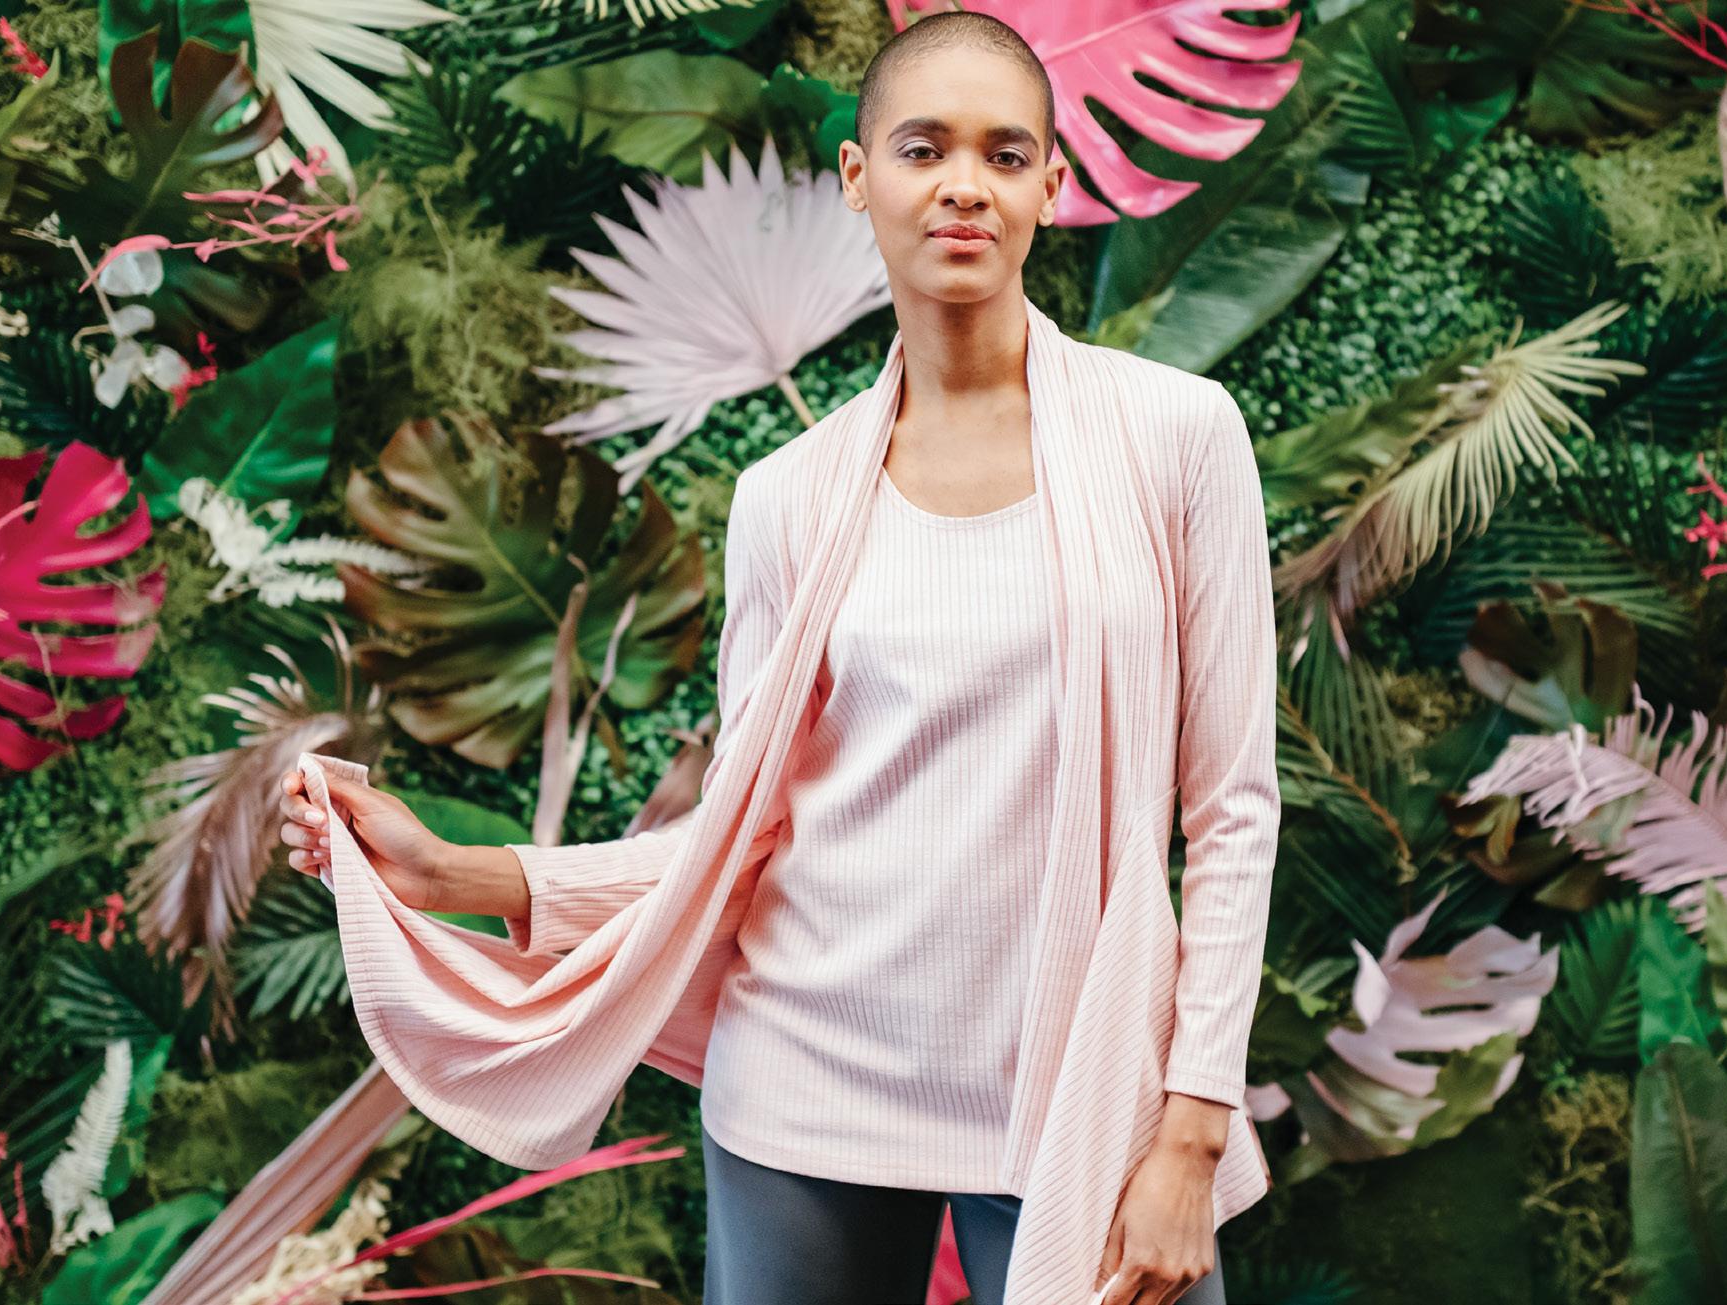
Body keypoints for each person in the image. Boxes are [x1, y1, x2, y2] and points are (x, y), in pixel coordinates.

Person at [279, 12, 1273, 1304]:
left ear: (1051, 183)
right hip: (809, 1079)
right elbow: (744, 833)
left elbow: (1232, 811)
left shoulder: (1177, 437)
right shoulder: (789, 497)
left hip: (1081, 1086)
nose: (964, 184)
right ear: (859, 177)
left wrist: (1192, 1135)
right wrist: (455, 871)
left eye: (1003, 153)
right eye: (923, 148)